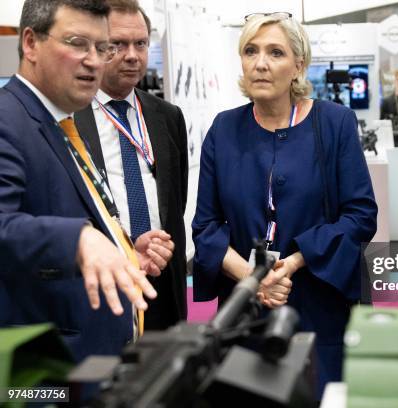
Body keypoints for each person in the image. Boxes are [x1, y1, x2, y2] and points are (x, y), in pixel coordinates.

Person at [191, 12, 377, 395]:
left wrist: (291, 263)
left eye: (275, 52)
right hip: (244, 309)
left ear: (298, 64)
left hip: (314, 297)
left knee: (317, 393)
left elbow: (360, 215)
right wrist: (252, 279)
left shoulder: (335, 123)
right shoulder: (223, 129)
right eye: (250, 51)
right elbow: (205, 228)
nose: (260, 63)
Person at [0, 0, 173, 362]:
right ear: (30, 43)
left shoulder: (58, 123)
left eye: (101, 47)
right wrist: (78, 239)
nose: (95, 60)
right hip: (42, 372)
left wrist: (122, 250)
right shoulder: (8, 120)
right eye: (77, 43)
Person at [75, 0, 188, 330]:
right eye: (118, 45)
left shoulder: (168, 117)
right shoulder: (68, 119)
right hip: (101, 286)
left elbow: (174, 204)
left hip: (163, 285)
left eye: (140, 43)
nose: (132, 55)